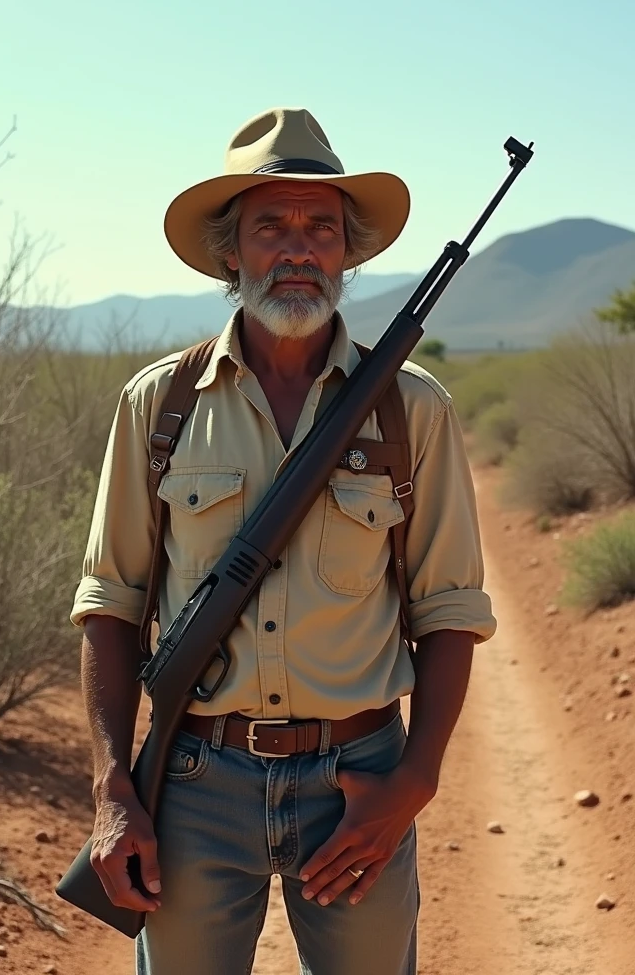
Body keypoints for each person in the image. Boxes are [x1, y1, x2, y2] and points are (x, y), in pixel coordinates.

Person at [70, 107, 497, 975]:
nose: (299, 248)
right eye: (272, 226)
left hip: (358, 784)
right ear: (232, 252)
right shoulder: (161, 406)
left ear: (348, 253)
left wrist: (413, 783)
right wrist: (117, 785)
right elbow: (110, 604)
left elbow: (449, 612)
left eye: (322, 228)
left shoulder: (413, 410)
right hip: (193, 780)